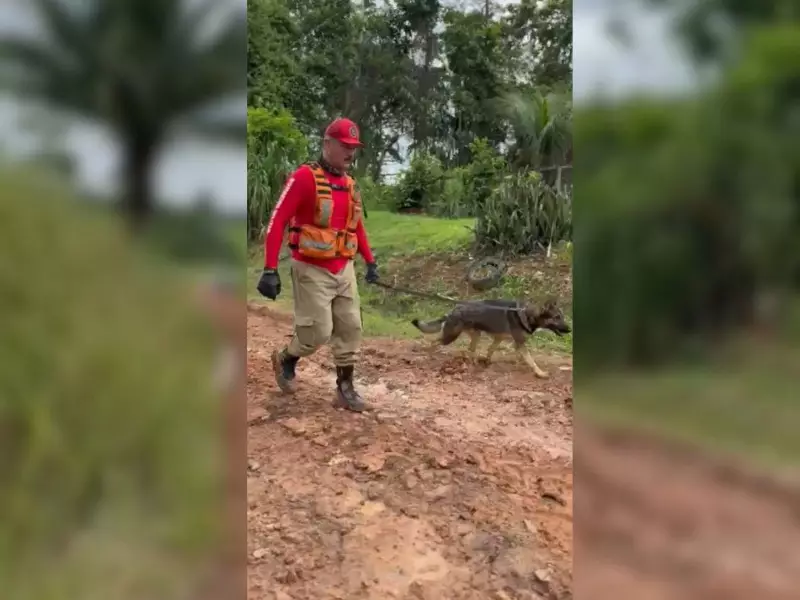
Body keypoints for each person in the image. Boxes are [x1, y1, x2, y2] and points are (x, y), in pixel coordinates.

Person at [256, 117, 379, 412]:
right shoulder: (303, 177)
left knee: (351, 327)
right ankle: (287, 357)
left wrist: (370, 262)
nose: (350, 153)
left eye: (354, 148)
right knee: (317, 333)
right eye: (344, 146)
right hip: (311, 268)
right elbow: (277, 221)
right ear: (327, 144)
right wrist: (269, 268)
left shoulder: (350, 185)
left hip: (343, 268)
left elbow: (356, 227)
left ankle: (345, 389)